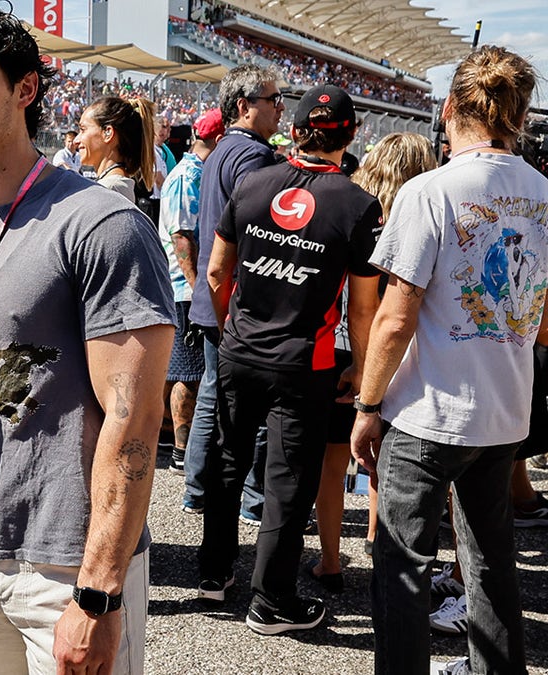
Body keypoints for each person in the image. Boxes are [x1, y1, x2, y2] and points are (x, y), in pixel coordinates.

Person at [0, 5, 176, 672]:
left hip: (65, 569)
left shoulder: (102, 224)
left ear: (25, 89)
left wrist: (98, 588)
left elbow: (135, 416)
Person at [350, 45, 547, 675]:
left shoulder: (428, 191)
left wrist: (367, 405)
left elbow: (394, 317)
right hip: (504, 409)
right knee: (491, 561)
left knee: (403, 564)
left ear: (450, 107)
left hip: (428, 412)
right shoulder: (543, 191)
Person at [202, 85, 382, 634]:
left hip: (240, 349)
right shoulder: (357, 204)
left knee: (228, 461)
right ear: (349, 136)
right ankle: (272, 601)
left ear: (296, 130)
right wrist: (362, 369)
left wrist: (235, 326)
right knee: (286, 481)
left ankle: (213, 574)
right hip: (305, 362)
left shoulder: (253, 183)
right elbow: (363, 310)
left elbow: (215, 272)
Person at [306, 131, 436, 592]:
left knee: (335, 458)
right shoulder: (423, 216)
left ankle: (329, 559)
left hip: (346, 346)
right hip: (403, 352)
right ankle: (379, 538)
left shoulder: (353, 211)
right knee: (388, 456)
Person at [184, 64, 284, 524]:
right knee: (250, 406)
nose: (281, 107)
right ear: (244, 106)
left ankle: (196, 487)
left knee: (213, 394)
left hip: (214, 295)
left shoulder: (222, 150)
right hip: (238, 299)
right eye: (273, 99)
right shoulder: (254, 158)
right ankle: (249, 498)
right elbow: (261, 234)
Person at [158, 108, 223, 481]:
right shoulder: (187, 177)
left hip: (191, 287)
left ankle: (180, 445)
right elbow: (182, 235)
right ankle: (181, 450)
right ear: (213, 141)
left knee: (192, 372)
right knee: (188, 372)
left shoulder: (199, 173)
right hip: (185, 288)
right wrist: (199, 285)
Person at [74, 96, 154, 203]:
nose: (76, 140)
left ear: (108, 133)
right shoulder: (110, 187)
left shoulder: (111, 190)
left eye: (83, 130)